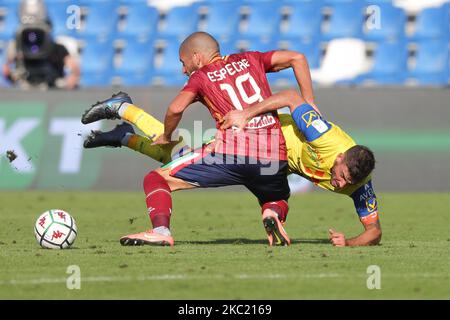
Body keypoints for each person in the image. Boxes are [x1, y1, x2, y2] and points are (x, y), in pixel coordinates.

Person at [81, 32, 317, 247]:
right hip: (273, 155)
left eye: (183, 63)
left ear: (196, 56)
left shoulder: (201, 77)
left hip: (232, 153)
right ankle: (272, 213)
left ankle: (161, 230)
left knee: (158, 176)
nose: (184, 70)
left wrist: (166, 134)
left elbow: (175, 109)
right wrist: (308, 104)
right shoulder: (251, 59)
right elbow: (297, 57)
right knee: (277, 197)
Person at [85, 89, 381, 247]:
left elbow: (374, 232)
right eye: (340, 177)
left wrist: (349, 243)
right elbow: (292, 98)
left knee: (178, 156)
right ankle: (124, 114)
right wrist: (247, 114)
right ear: (340, 158)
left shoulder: (359, 182)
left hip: (277, 166)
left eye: (347, 183)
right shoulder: (326, 137)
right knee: (179, 157)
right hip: (263, 139)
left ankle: (124, 131)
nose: (341, 186)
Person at [2, 0, 80, 89]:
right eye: (28, 34)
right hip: (26, 88)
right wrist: (15, 79)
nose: (33, 39)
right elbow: (6, 70)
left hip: (52, 89)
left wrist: (67, 84)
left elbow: (74, 70)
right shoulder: (17, 47)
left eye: (39, 34)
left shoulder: (57, 49)